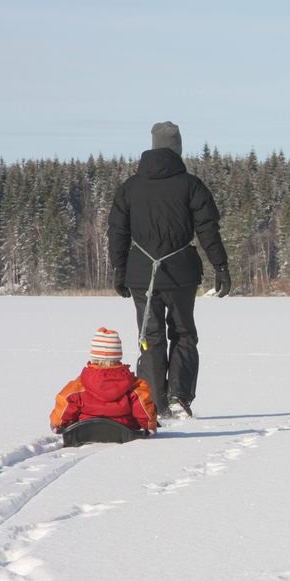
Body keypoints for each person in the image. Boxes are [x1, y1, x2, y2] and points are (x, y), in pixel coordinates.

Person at [108, 121, 231, 419]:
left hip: (141, 274)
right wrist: (221, 267)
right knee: (184, 334)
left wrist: (120, 271)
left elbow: (117, 234)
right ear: (177, 148)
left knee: (149, 335)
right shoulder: (191, 185)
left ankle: (153, 402)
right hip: (181, 274)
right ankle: (177, 398)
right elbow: (208, 230)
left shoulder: (130, 188)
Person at [50, 328, 157, 434]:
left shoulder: (81, 383)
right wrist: (149, 425)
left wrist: (57, 423)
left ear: (94, 357)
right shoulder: (132, 384)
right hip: (123, 427)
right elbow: (143, 403)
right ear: (118, 356)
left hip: (87, 427)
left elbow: (66, 400)